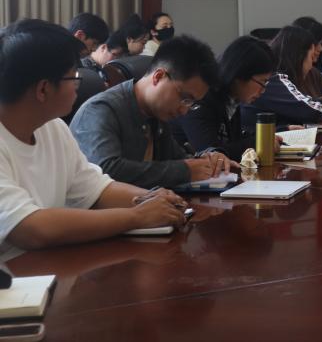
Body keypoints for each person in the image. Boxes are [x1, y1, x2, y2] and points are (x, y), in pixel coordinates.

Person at [0, 20, 187, 259]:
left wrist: (149, 199)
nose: (79, 85)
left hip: (47, 267)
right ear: (43, 89)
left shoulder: (53, 128)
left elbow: (96, 190)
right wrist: (137, 216)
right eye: (73, 77)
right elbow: (31, 229)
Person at [71, 36, 231, 188]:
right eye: (185, 98)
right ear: (158, 76)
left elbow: (178, 160)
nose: (184, 110)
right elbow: (106, 171)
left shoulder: (155, 114)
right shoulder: (101, 109)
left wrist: (208, 159)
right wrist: (185, 170)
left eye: (192, 104)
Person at [172, 36, 279, 161]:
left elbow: (234, 141)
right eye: (262, 82)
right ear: (241, 73)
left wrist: (267, 137)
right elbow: (212, 153)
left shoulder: (232, 98)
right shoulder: (202, 95)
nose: (263, 91)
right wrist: (259, 142)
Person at [241, 26, 322, 128]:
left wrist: (284, 129)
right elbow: (312, 112)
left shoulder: (281, 77)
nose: (312, 63)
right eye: (311, 57)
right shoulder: (274, 79)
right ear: (299, 57)